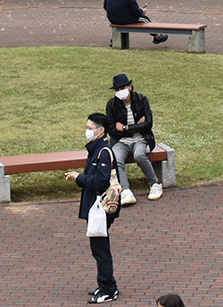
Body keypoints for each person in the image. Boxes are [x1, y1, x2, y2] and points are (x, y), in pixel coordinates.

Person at [66, 113, 122, 303]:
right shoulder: (97, 149)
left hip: (102, 209)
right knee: (99, 248)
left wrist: (78, 178)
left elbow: (100, 181)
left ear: (101, 130)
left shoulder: (103, 152)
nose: (87, 131)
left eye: (90, 128)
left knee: (100, 250)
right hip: (97, 207)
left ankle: (109, 289)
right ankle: (105, 284)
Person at [106, 73, 161, 204]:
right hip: (120, 142)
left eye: (122, 88)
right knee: (117, 159)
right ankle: (125, 191)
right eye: (117, 89)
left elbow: (148, 124)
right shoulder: (112, 105)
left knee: (139, 155)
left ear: (130, 87)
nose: (120, 92)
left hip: (140, 139)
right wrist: (137, 125)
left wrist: (125, 128)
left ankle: (154, 184)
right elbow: (112, 130)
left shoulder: (141, 99)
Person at [104, 0, 168, 46]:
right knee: (145, 19)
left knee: (123, 20)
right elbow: (136, 12)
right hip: (124, 20)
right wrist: (142, 11)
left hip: (112, 19)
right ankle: (157, 36)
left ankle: (115, 39)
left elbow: (105, 7)